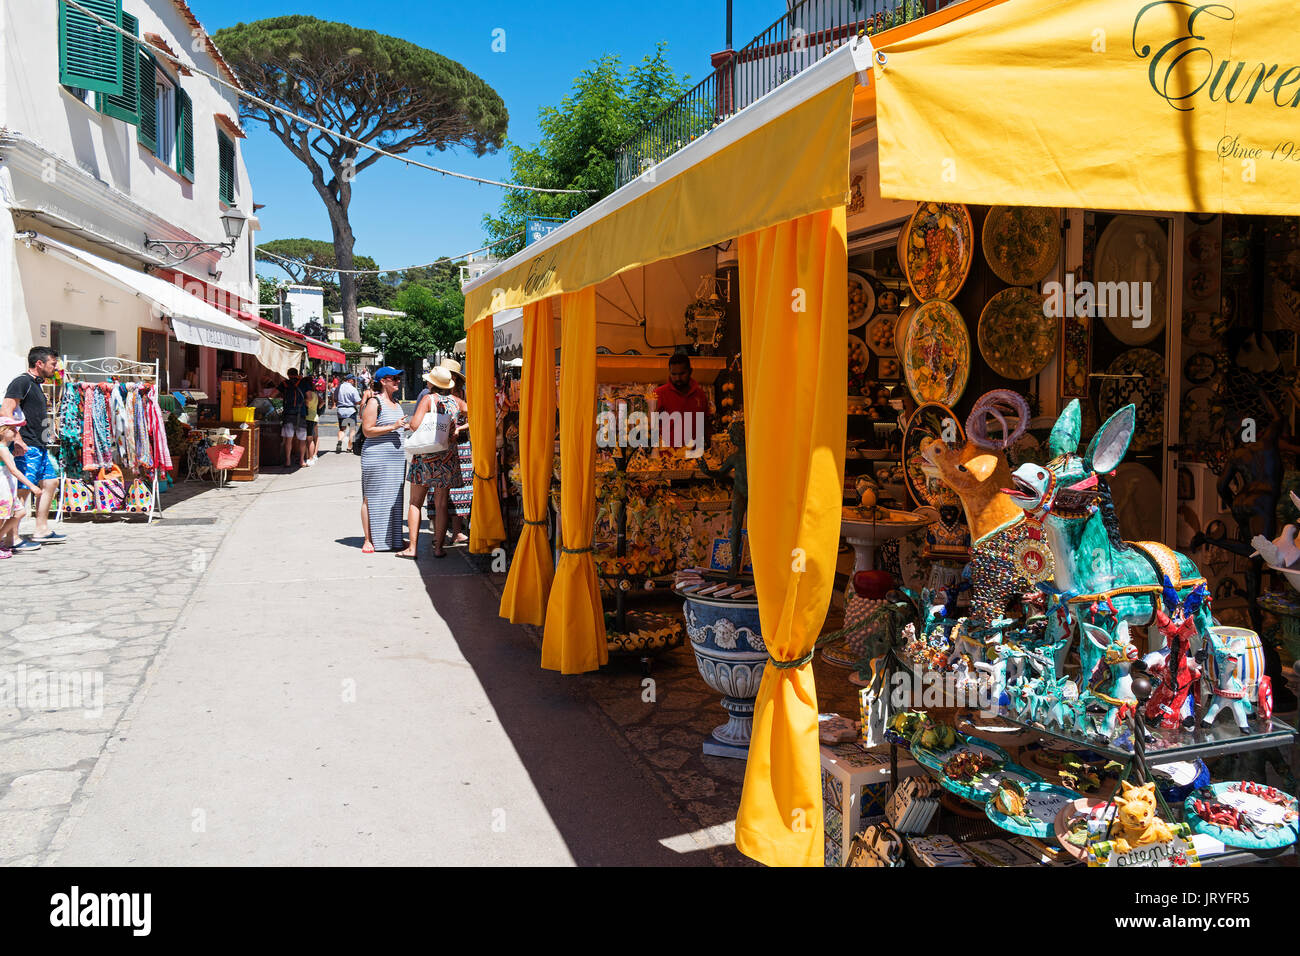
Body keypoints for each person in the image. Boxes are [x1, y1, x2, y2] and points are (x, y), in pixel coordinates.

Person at [399, 367, 467, 558]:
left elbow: (414, 425)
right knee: (442, 505)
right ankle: (438, 548)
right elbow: (475, 413)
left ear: (432, 384)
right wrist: (458, 428)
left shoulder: (429, 399)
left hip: (425, 457)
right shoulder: (456, 401)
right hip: (447, 457)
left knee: (415, 502)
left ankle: (412, 548)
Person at [2, 347, 65, 550]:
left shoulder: (36, 385)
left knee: (51, 482)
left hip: (40, 445)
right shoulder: (22, 382)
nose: (55, 367)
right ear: (39, 363)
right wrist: (18, 439)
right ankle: (12, 539)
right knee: (22, 490)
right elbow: (6, 411)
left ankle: (41, 530)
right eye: (53, 363)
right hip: (27, 446)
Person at [359, 367, 408, 553]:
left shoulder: (397, 403)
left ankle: (395, 540)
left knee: (395, 498)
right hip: (377, 457)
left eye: (398, 378)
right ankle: (368, 540)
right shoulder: (374, 402)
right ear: (383, 381)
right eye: (393, 378)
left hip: (395, 460)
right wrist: (393, 426)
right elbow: (367, 430)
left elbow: (395, 427)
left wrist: (405, 427)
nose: (397, 381)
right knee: (371, 498)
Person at [0, 414, 43, 559]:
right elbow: (13, 470)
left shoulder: (5, 448)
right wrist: (32, 486)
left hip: (8, 487)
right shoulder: (2, 449)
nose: (15, 432)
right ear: (2, 431)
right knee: (2, 516)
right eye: (12, 429)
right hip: (3, 487)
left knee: (19, 512)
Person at [439, 359, 471, 544]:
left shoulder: (463, 395)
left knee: (460, 489)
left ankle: (457, 530)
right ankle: (440, 533)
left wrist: (460, 428)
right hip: (441, 446)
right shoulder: (434, 394)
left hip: (461, 444)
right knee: (441, 489)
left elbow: (473, 417)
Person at [653, 352, 711, 449]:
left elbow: (705, 424)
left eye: (682, 374)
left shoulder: (700, 394)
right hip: (667, 458)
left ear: (690, 371)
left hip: (694, 455)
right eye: (674, 374)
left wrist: (710, 447)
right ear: (669, 372)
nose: (678, 378)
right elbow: (651, 427)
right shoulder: (659, 394)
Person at [277, 368, 310, 468]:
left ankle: (287, 461)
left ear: (288, 374)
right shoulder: (303, 383)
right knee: (302, 439)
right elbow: (309, 397)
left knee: (288, 440)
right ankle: (301, 461)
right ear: (297, 374)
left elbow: (273, 394)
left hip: (288, 414)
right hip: (301, 414)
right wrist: (304, 403)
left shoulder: (284, 384)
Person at [335, 373, 361, 453]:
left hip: (341, 411)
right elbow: (358, 401)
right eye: (353, 380)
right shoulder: (353, 389)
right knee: (352, 429)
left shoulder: (339, 387)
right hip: (350, 411)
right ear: (349, 380)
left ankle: (339, 441)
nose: (354, 382)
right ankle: (349, 447)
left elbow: (335, 399)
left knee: (342, 429)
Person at [303, 387, 321, 465]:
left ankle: (310, 457)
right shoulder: (316, 395)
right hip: (314, 416)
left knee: (309, 438)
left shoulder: (308, 395)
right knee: (312, 437)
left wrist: (305, 402)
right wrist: (317, 409)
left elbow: (307, 403)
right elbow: (322, 402)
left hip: (308, 417)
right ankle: (312, 456)